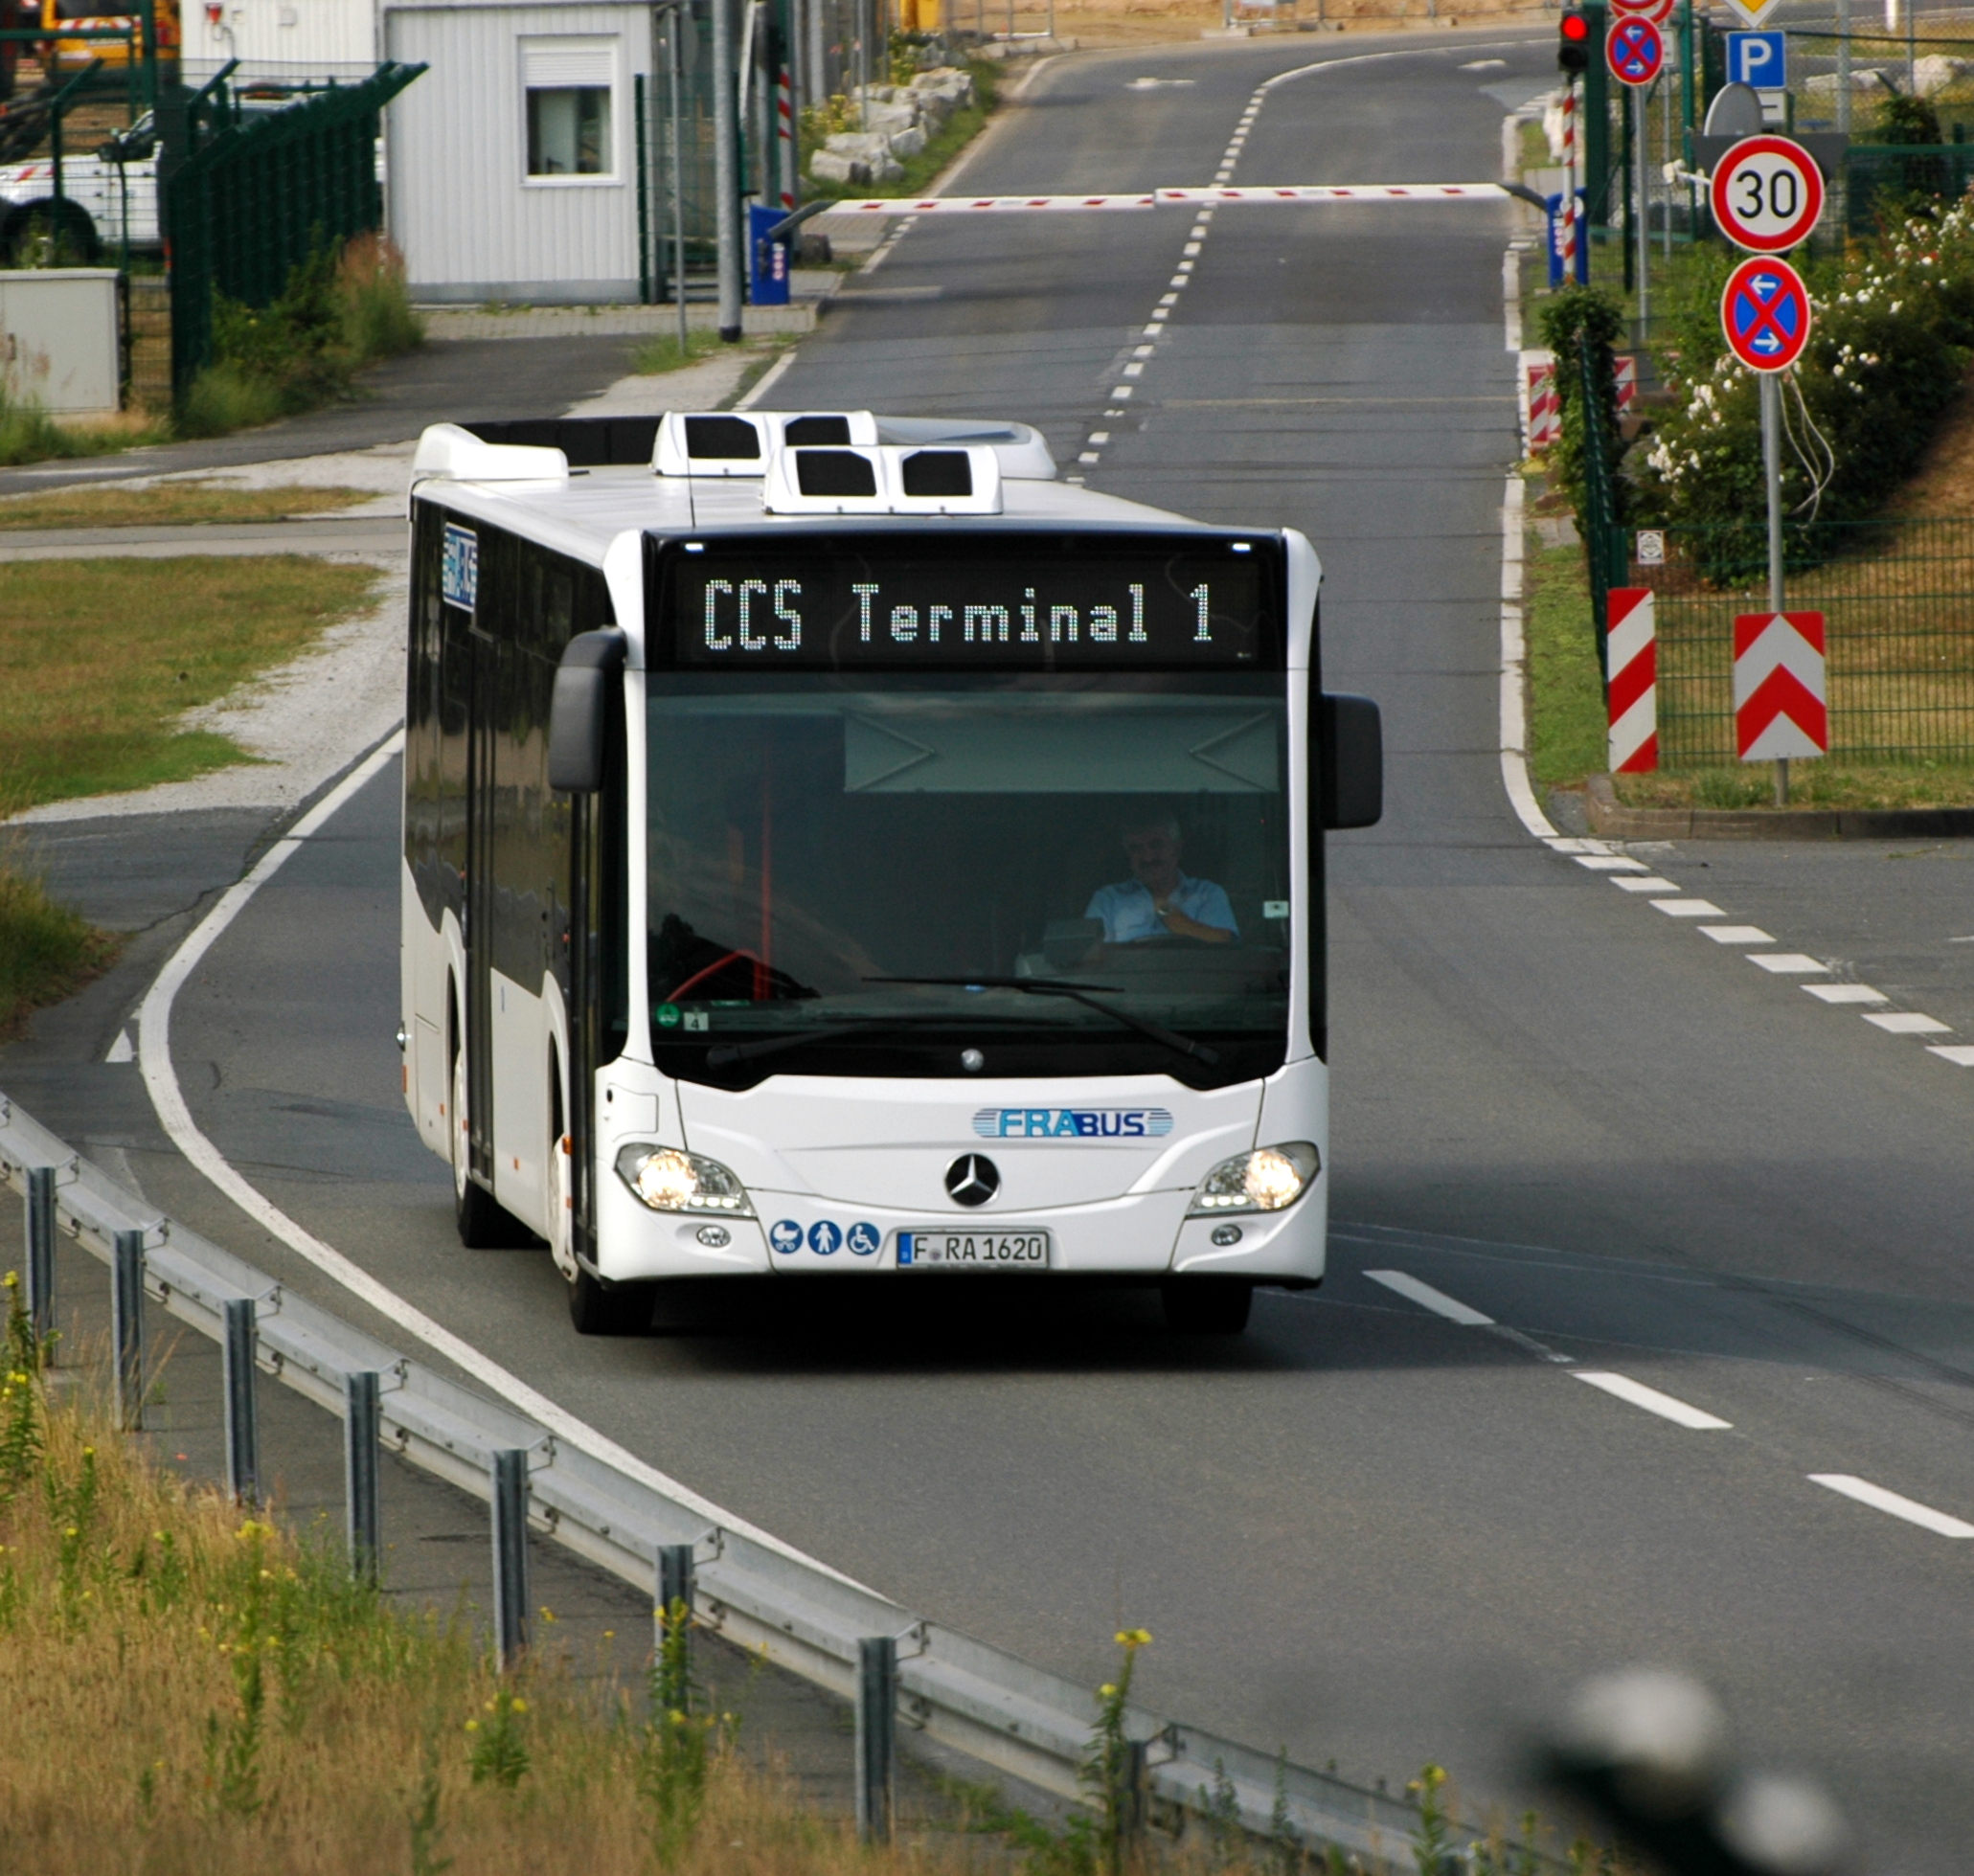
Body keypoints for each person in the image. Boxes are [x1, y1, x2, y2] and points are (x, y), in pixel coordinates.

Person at [1084, 814, 1237, 945]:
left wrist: (1167, 911)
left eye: (1156, 845)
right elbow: (1090, 957)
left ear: (1177, 849)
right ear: (1128, 855)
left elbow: (1223, 946)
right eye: (1136, 848)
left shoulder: (1207, 893)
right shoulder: (1107, 899)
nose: (1148, 857)